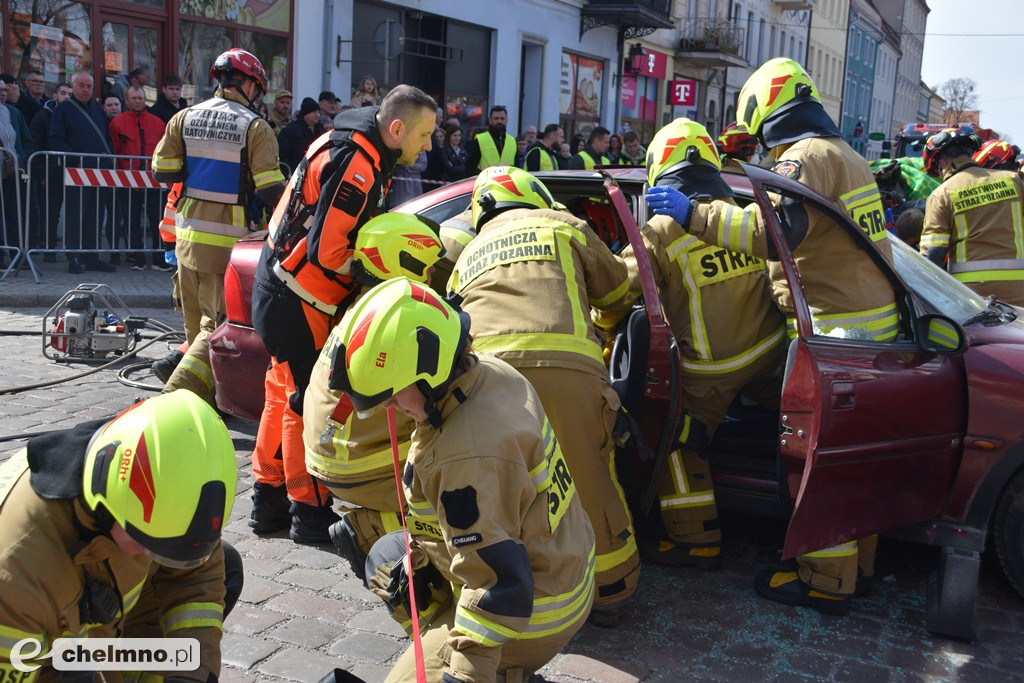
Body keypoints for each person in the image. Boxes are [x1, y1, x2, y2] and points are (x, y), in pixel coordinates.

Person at [645, 57, 896, 615]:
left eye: (758, 133)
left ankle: (826, 581)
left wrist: (693, 215)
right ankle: (859, 568)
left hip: (835, 333)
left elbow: (775, 232)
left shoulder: (806, 158)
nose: (761, 145)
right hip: (865, 331)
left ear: (766, 110)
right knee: (845, 459)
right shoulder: (847, 156)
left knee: (818, 462)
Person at [328, 277, 596, 682]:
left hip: (528, 616)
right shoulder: (487, 373)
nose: (391, 406)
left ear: (430, 370)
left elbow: (498, 587)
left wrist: (462, 676)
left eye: (393, 393)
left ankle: (501, 670)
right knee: (386, 557)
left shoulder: (465, 456)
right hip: (561, 563)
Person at [449, 166, 640, 627]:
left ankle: (514, 597)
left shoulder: (467, 254)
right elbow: (618, 293)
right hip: (566, 373)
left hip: (489, 381)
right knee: (587, 476)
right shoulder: (565, 225)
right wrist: (603, 329)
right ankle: (610, 589)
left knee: (510, 490)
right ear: (535, 196)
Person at [248, 84, 436, 544]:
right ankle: (308, 512)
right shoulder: (357, 162)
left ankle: (267, 502)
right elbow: (329, 251)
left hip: (283, 286)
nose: (429, 145)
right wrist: (375, 274)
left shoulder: (357, 145)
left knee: (281, 395)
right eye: (425, 134)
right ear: (397, 128)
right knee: (303, 404)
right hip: (298, 296)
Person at [595, 118, 786, 570]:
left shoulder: (661, 229)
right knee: (792, 419)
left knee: (679, 440)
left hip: (711, 369)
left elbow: (620, 291)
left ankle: (694, 540)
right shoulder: (735, 212)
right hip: (769, 350)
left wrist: (600, 326)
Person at [0, 390, 243, 682]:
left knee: (225, 564)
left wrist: (192, 674)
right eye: (148, 541)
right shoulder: (16, 577)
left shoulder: (151, 482)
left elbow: (195, 576)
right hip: (48, 661)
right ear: (106, 500)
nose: (149, 555)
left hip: (101, 646)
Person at [301, 213, 445, 575]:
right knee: (460, 457)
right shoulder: (398, 319)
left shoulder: (366, 305)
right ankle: (373, 528)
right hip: (355, 466)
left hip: (329, 455)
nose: (432, 276)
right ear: (403, 260)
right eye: (426, 267)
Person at [152, 48, 286, 405]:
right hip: (228, 246)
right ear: (249, 84)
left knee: (195, 326)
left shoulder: (183, 117)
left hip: (186, 239)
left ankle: (205, 399)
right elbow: (270, 188)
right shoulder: (255, 127)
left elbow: (163, 171)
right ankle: (174, 402)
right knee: (218, 329)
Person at [919, 128, 1024, 306]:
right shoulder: (1014, 180)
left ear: (941, 162)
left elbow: (933, 253)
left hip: (971, 297)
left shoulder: (941, 194)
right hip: (1019, 291)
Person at [49, 71, 116, 274]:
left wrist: (108, 158)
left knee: (95, 215)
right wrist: (75, 159)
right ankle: (74, 257)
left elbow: (106, 137)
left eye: (89, 86)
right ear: (73, 86)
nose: (86, 90)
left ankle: (93, 256)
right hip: (76, 173)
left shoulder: (96, 110)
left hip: (98, 172)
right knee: (75, 215)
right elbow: (56, 139)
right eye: (81, 85)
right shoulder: (64, 110)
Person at [109, 85, 170, 271]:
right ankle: (138, 258)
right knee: (131, 221)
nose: (137, 101)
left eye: (140, 98)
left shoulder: (157, 123)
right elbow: (114, 150)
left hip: (154, 181)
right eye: (134, 98)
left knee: (158, 221)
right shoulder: (117, 123)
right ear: (126, 100)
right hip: (128, 181)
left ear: (145, 100)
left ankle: (159, 258)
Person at [26, 81, 71, 258]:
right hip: (51, 172)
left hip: (73, 171)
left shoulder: (75, 115)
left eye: (70, 94)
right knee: (50, 214)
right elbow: (34, 145)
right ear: (55, 95)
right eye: (63, 93)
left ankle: (74, 252)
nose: (66, 97)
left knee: (75, 212)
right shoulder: (42, 116)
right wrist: (42, 175)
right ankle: (49, 249)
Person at [278, 96, 323, 172]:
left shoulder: (321, 130)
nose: (317, 115)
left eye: (318, 112)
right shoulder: (290, 131)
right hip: (296, 172)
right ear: (306, 114)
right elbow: (283, 155)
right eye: (314, 112)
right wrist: (289, 172)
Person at [465, 105, 514, 173]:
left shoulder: (512, 141)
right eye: (496, 118)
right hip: (485, 179)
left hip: (506, 180)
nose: (499, 121)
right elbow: (470, 168)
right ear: (490, 120)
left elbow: (516, 169)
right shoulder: (480, 140)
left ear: (506, 120)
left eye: (502, 118)